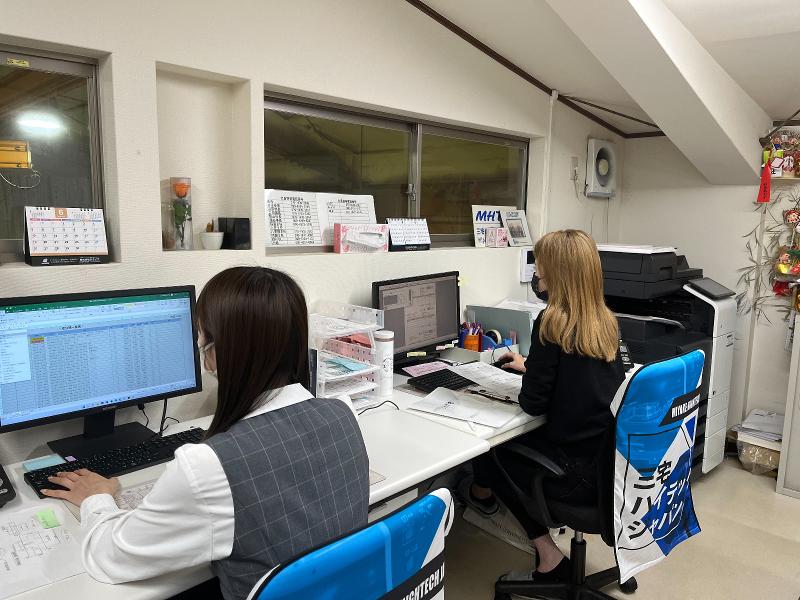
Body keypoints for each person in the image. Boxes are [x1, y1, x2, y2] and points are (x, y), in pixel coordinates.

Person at [42, 267, 370, 599]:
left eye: (202, 337)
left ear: (216, 352)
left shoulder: (207, 465)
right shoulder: (343, 413)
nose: (200, 347)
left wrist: (96, 498)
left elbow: (111, 557)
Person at [462, 229, 624, 582]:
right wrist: (532, 366)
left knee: (493, 448)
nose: (537, 274)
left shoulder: (551, 323)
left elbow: (533, 404)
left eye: (542, 267)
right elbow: (580, 374)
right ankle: (480, 495)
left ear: (558, 275)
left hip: (575, 474)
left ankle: (546, 554)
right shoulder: (604, 321)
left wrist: (530, 375)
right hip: (607, 464)